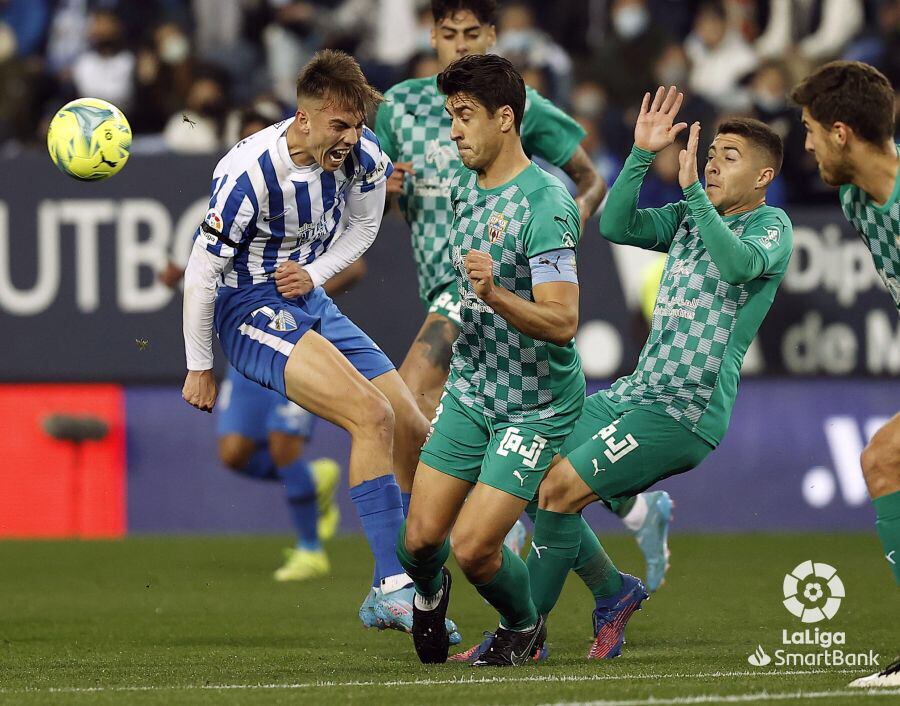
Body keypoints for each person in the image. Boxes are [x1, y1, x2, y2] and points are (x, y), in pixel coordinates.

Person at [375, 0, 674, 593]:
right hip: (451, 285)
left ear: (492, 36)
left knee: (407, 403)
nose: (460, 45)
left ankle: (407, 578)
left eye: (473, 34)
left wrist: (553, 243)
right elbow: (370, 197)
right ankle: (627, 534)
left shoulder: (516, 106)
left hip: (474, 298)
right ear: (429, 35)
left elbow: (589, 181)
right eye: (448, 33)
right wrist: (383, 191)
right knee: (528, 470)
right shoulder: (400, 109)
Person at [180, 49, 458, 642]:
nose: (350, 138)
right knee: (371, 414)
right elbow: (202, 273)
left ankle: (419, 571)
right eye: (339, 125)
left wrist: (317, 273)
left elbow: (363, 226)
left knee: (412, 427)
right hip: (249, 307)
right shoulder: (248, 173)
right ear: (303, 119)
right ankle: (389, 590)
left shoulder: (363, 158)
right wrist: (200, 365)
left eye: (357, 125)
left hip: (307, 298)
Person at [525, 87, 793, 661]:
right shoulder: (689, 217)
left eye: (729, 156)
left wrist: (694, 192)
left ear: (764, 175)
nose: (714, 162)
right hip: (635, 393)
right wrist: (643, 155)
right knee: (526, 473)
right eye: (711, 151)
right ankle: (613, 591)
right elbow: (616, 225)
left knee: (560, 490)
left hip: (684, 413)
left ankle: (521, 634)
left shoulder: (772, 227)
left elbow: (737, 264)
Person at [396, 53, 595, 667]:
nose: (453, 130)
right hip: (472, 390)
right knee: (419, 541)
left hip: (533, 406)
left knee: (476, 547)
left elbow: (563, 323)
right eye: (450, 116)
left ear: (505, 118)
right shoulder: (460, 187)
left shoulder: (548, 205)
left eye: (463, 117)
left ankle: (523, 626)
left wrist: (493, 294)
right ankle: (429, 600)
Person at [791, 60, 900, 689]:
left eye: (808, 130)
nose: (805, 145)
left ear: (840, 132)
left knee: (884, 460)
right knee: (885, 462)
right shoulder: (856, 197)